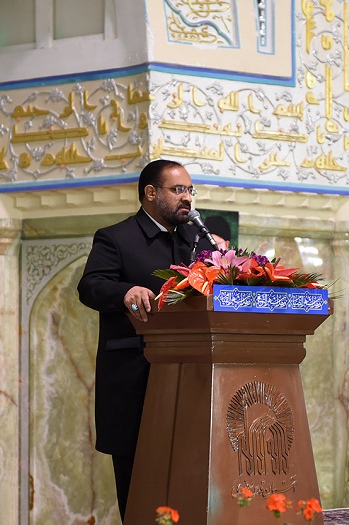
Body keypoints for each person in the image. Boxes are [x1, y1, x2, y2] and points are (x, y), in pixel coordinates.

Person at [76, 159, 213, 521]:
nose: (187, 198)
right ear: (151, 193)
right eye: (178, 190)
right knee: (140, 492)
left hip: (191, 383)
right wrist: (125, 291)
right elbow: (90, 286)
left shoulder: (197, 240)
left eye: (190, 190)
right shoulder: (116, 237)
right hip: (135, 382)